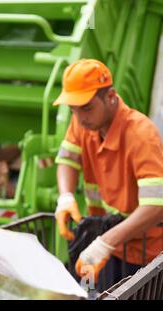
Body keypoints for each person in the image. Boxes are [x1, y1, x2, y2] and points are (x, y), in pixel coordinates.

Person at [53, 59, 163, 291]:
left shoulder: (141, 134)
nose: (79, 117)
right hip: (109, 244)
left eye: (86, 107)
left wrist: (104, 244)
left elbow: (156, 206)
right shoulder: (83, 122)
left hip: (145, 254)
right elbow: (67, 159)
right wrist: (66, 197)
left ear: (110, 96)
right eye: (73, 109)